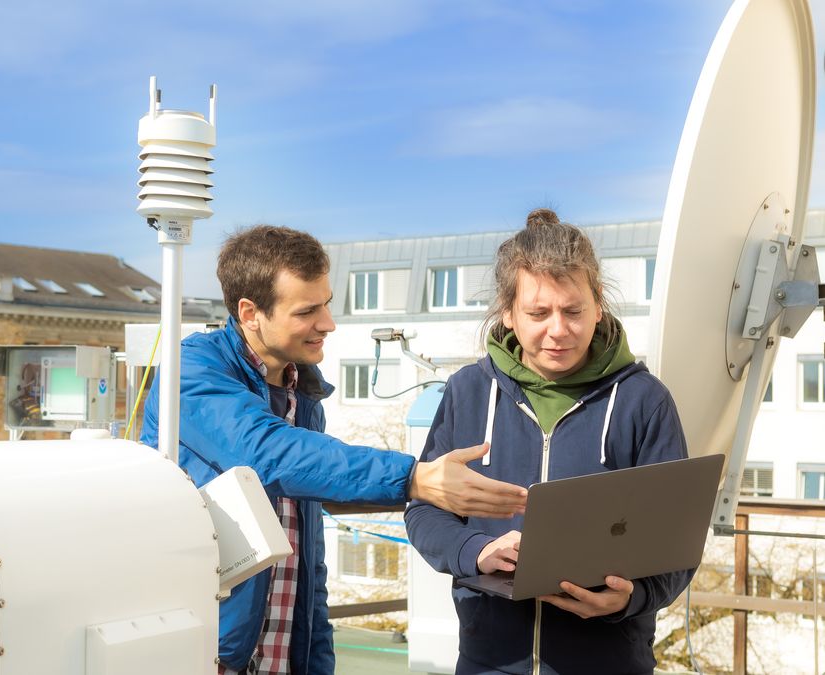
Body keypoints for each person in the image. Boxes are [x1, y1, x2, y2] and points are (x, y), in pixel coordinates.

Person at [140, 224, 528, 674]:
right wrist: (415, 478)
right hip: (210, 656)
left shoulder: (300, 392)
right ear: (250, 312)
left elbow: (306, 558)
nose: (328, 323)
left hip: (285, 654)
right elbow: (269, 454)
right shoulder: (192, 371)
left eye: (326, 303)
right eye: (308, 310)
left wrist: (318, 657)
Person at [404, 209, 693, 675]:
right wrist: (475, 549)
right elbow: (424, 511)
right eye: (538, 313)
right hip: (488, 661)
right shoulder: (468, 392)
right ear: (509, 314)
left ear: (598, 306)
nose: (558, 330)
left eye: (573, 311)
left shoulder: (645, 400)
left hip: (610, 661)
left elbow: (678, 536)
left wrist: (634, 595)